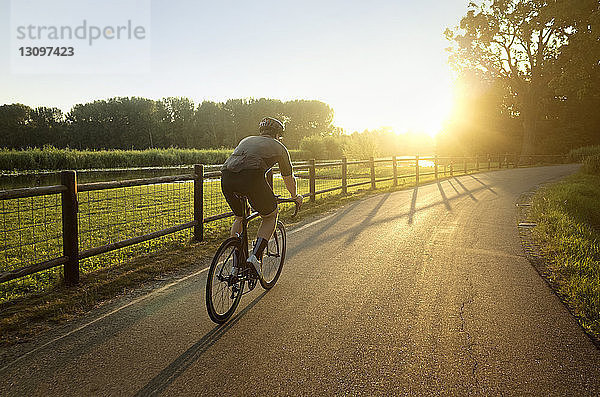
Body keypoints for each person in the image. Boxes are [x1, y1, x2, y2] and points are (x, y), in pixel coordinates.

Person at [221, 117, 303, 277]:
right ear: (278, 134)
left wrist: (266, 195)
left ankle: (236, 264)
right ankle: (255, 257)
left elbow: (244, 164)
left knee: (239, 217)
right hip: (251, 179)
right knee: (270, 215)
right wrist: (295, 196)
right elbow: (288, 177)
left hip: (226, 178)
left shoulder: (246, 140)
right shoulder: (279, 147)